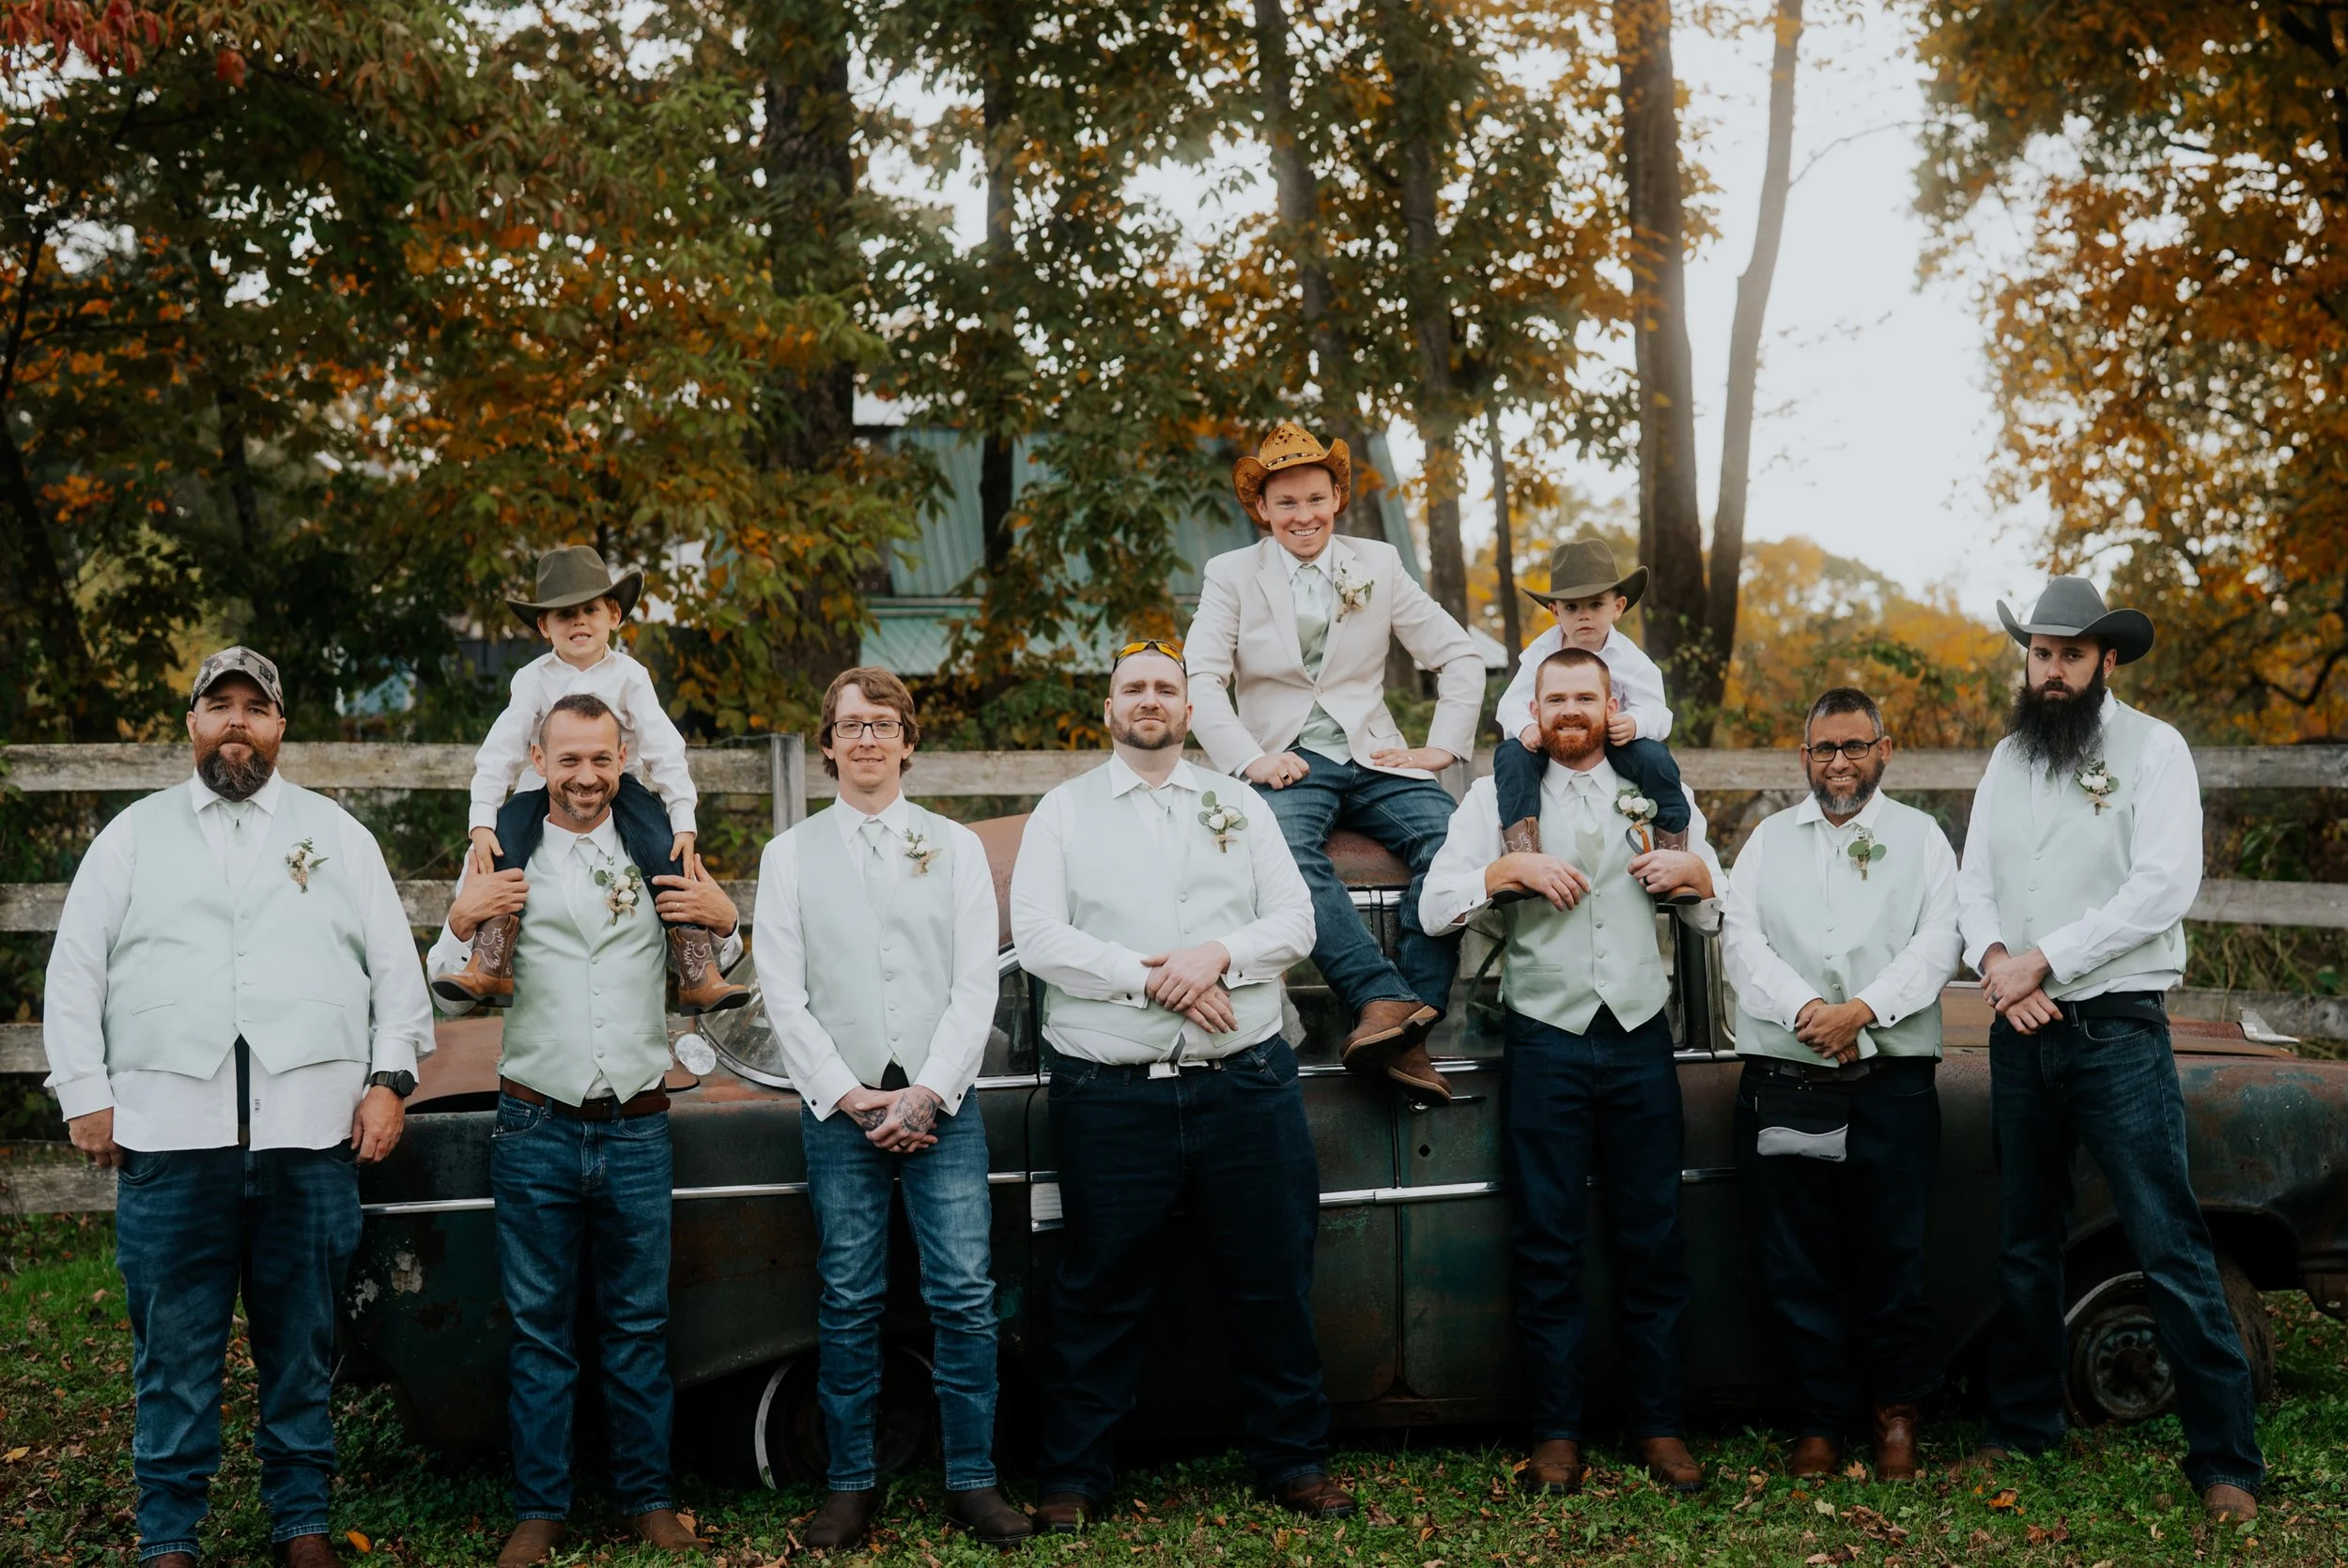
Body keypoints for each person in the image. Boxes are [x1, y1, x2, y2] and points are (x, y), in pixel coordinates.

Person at [42, 647, 433, 1568]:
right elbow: (76, 971)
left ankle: (301, 1521)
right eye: (219, 705)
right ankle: (169, 1533)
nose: (236, 723)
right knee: (173, 1350)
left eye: (255, 708)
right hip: (171, 1139)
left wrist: (388, 1081)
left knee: (303, 1345)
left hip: (309, 1137)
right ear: (192, 722)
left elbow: (396, 976)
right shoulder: (132, 837)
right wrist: (86, 1093)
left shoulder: (337, 835)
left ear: (280, 726)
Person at [1010, 640, 1355, 1530]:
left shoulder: (1239, 803)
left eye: (1166, 688)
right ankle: (1073, 1476)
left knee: (1271, 1276)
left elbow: (1296, 920)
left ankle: (1294, 1461)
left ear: (1190, 712)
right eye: (1134, 688)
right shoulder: (1063, 812)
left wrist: (1217, 955)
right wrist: (1151, 977)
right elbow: (1040, 937)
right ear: (1110, 709)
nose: (1150, 699)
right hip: (1109, 1094)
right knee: (1099, 1285)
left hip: (1246, 1084)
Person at [1955, 576, 2263, 1523]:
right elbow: (1974, 880)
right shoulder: (2008, 757)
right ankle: (2025, 1424)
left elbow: (2162, 884)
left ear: (2106, 660)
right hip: (2019, 1029)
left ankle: (2225, 1460)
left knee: (2165, 1237)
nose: (2052, 670)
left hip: (2117, 1027)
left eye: (2071, 655)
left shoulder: (2154, 750)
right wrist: (1999, 963)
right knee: (2025, 1238)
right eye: (2041, 653)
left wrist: (2044, 959)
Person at [428, 693, 742, 1566]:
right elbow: (444, 987)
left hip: (638, 1123)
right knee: (540, 1328)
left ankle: (649, 1500)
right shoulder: (501, 852)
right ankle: (540, 1509)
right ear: (539, 762)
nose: (586, 776)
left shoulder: (659, 847)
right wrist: (460, 920)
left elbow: (718, 964)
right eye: (568, 759)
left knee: (639, 1323)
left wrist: (728, 922)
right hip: (534, 1122)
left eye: (601, 759)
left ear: (623, 761)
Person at [1419, 647, 1721, 1499]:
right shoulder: (1494, 798)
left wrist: (1695, 874)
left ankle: (1659, 1425)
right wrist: (1503, 870)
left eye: (1586, 696)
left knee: (1653, 1238)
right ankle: (1556, 1434)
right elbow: (1433, 906)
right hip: (1545, 1039)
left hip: (1639, 1035)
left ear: (1610, 702)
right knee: (1546, 1241)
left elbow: (1714, 910)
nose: (1571, 711)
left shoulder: (1656, 781)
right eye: (1557, 699)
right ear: (1537, 710)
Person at [752, 668, 1030, 1550]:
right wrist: (845, 1092)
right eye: (850, 725)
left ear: (908, 742)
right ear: (828, 745)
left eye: (883, 724)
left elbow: (976, 984)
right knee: (848, 1295)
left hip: (943, 1105)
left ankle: (973, 1480)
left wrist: (928, 1093)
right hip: (838, 1110)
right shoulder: (787, 855)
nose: (866, 738)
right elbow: (782, 992)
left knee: (964, 1294)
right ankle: (849, 1486)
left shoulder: (954, 847)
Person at [1185, 422, 1485, 1101]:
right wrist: (1251, 760)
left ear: (1337, 498)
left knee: (1454, 841)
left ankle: (1406, 1022)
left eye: (1316, 499)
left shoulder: (1376, 562)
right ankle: (1378, 996)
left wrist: (1442, 747)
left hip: (1374, 751)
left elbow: (1459, 655)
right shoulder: (1231, 574)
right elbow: (1200, 677)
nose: (1304, 515)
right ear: (1262, 509)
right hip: (1286, 757)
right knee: (1283, 852)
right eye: (1286, 503)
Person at [1720, 687, 1961, 1481]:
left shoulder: (1923, 839)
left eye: (1855, 746)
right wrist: (1808, 1012)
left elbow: (1940, 942)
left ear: (1883, 751)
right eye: (1825, 748)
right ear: (1805, 757)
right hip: (1788, 1078)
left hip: (1891, 1082)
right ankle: (1820, 1420)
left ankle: (1896, 1414)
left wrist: (1862, 1010)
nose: (1840, 763)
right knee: (1798, 1256)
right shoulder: (1766, 841)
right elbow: (1741, 940)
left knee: (1894, 1251)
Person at [433, 545, 745, 1014]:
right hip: (539, 791)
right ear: (544, 626)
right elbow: (500, 751)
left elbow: (664, 748)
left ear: (614, 615)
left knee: (666, 853)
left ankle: (698, 972)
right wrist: (481, 821)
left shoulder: (631, 676)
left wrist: (683, 819)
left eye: (590, 610)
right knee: (499, 851)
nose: (578, 622)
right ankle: (489, 962)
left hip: (625, 790)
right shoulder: (532, 678)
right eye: (564, 614)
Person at [1489, 538, 1690, 873]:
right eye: (1571, 608)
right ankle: (1523, 853)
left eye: (1596, 605)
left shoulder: (1630, 659)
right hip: (1554, 739)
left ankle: (1672, 853)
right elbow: (1511, 702)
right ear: (1555, 612)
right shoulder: (1541, 652)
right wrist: (1525, 727)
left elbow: (1658, 711)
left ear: (1618, 607)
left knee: (1657, 759)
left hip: (1613, 741)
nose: (1584, 616)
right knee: (1510, 756)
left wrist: (1635, 723)